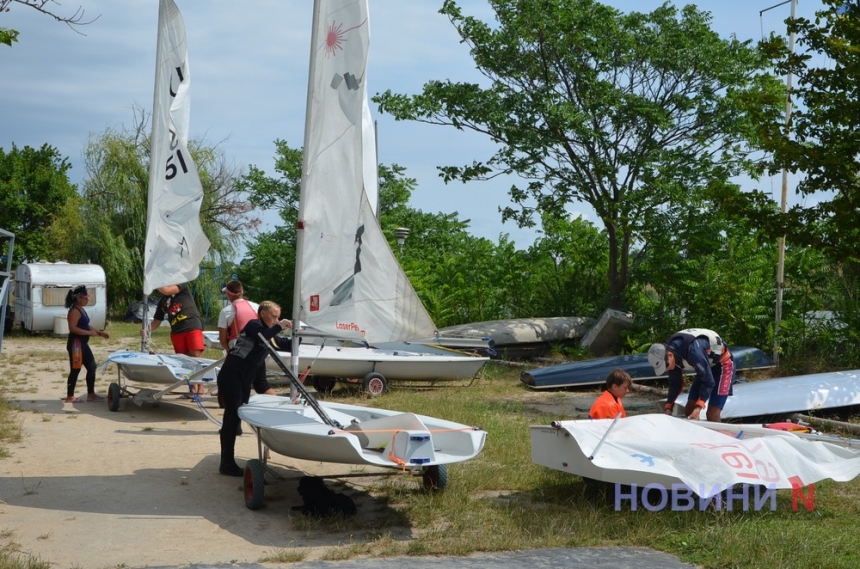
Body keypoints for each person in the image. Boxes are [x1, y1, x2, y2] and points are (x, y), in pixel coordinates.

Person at [217, 300, 293, 476]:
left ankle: (227, 460)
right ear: (263, 313)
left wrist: (300, 336)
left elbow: (283, 344)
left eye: (278, 317)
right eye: (274, 316)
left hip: (244, 380)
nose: (276, 320)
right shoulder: (254, 325)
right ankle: (226, 463)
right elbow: (262, 336)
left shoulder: (269, 335)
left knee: (235, 420)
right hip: (231, 375)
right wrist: (280, 326)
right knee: (231, 420)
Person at [648, 328, 735, 422]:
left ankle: (719, 435)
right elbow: (675, 383)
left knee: (712, 414)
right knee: (689, 410)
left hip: (723, 365)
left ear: (669, 355)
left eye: (666, 366)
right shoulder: (672, 354)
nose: (666, 369)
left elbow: (709, 382)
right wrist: (668, 407)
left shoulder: (694, 352)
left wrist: (698, 408)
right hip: (706, 365)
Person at [141, 283, 206, 397]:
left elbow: (166, 290)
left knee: (196, 357)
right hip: (177, 331)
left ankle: (201, 387)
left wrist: (152, 282)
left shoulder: (182, 287)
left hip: (192, 326)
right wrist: (147, 330)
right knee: (184, 361)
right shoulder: (163, 301)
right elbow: (157, 321)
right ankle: (192, 389)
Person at [216, 280, 275, 396]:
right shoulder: (256, 306)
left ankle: (233, 407)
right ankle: (276, 406)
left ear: (228, 294)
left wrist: (228, 351)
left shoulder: (225, 311)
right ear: (242, 292)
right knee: (261, 384)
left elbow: (222, 339)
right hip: (258, 350)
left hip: (239, 352)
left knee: (235, 381)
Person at [64, 285, 109, 403]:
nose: (87, 300)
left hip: (82, 344)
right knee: (75, 369)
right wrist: (89, 333)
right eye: (85, 298)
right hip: (76, 344)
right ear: (79, 298)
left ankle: (91, 394)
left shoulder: (81, 309)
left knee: (92, 367)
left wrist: (99, 332)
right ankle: (70, 396)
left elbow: (85, 325)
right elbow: (73, 328)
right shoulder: (74, 311)